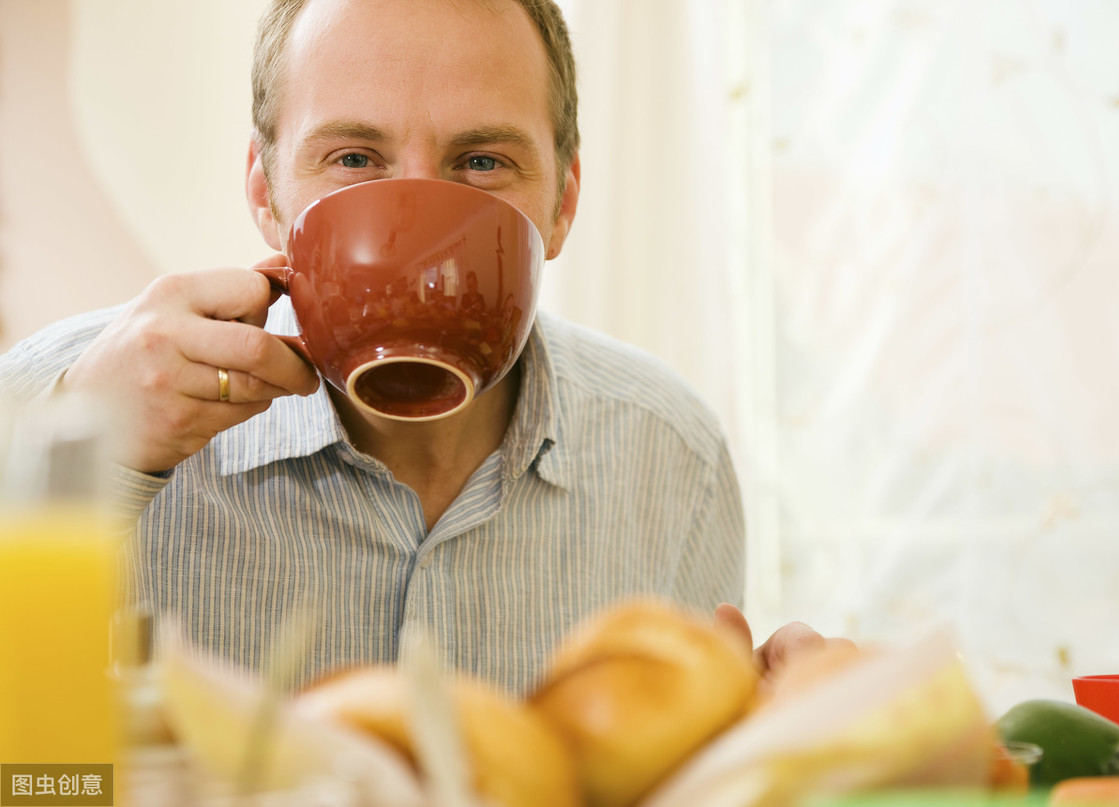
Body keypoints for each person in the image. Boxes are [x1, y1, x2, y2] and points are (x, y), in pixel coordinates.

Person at [0, 0, 845, 694]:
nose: (417, 221)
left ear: (562, 204)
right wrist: (87, 473)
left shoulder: (671, 456)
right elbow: (32, 769)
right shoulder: (52, 404)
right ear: (266, 193)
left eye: (481, 160)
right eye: (355, 156)